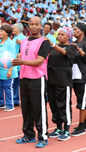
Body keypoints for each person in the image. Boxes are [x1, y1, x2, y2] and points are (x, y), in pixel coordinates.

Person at [12, 16, 52, 148]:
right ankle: (28, 134)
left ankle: (43, 136)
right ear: (28, 26)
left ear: (41, 26)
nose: (34, 26)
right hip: (24, 77)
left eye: (36, 24)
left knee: (39, 108)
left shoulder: (44, 42)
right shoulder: (23, 41)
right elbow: (21, 56)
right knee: (26, 108)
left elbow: (40, 60)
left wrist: (22, 62)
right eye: (31, 24)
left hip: (37, 78)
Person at [47, 26, 79, 141]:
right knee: (53, 104)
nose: (59, 36)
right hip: (51, 79)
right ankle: (58, 127)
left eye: (62, 34)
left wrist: (53, 44)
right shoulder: (54, 47)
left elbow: (65, 53)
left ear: (68, 36)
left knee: (63, 104)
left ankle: (66, 129)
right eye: (58, 34)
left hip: (63, 79)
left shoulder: (71, 47)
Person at [70, 22, 86, 136]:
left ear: (82, 31)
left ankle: (81, 127)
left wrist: (79, 50)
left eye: (75, 30)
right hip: (75, 75)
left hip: (84, 75)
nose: (73, 31)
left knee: (83, 100)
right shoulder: (74, 43)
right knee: (80, 98)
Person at [0, 24, 19, 112]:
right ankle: (0, 103)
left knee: (7, 87)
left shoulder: (10, 43)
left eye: (2, 31)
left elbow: (13, 57)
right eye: (0, 30)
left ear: (7, 33)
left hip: (7, 70)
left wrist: (10, 70)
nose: (0, 32)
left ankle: (10, 105)